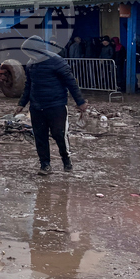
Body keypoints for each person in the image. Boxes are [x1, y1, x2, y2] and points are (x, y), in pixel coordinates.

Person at [16, 36, 88, 175]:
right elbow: (28, 86)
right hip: (36, 106)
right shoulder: (31, 64)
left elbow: (71, 83)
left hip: (56, 105)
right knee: (40, 136)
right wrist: (21, 103)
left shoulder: (56, 61)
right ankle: (45, 165)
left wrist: (80, 102)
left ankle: (66, 160)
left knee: (59, 134)